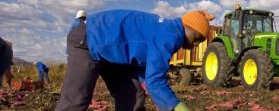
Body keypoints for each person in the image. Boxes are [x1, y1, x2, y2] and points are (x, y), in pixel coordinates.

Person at [55, 9, 214, 111]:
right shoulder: (170, 35)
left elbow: (144, 68)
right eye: (197, 38)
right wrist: (176, 107)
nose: (195, 45)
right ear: (188, 26)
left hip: (113, 54)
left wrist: (162, 101)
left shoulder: (166, 30)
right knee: (76, 100)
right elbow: (155, 81)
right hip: (89, 39)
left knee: (132, 95)